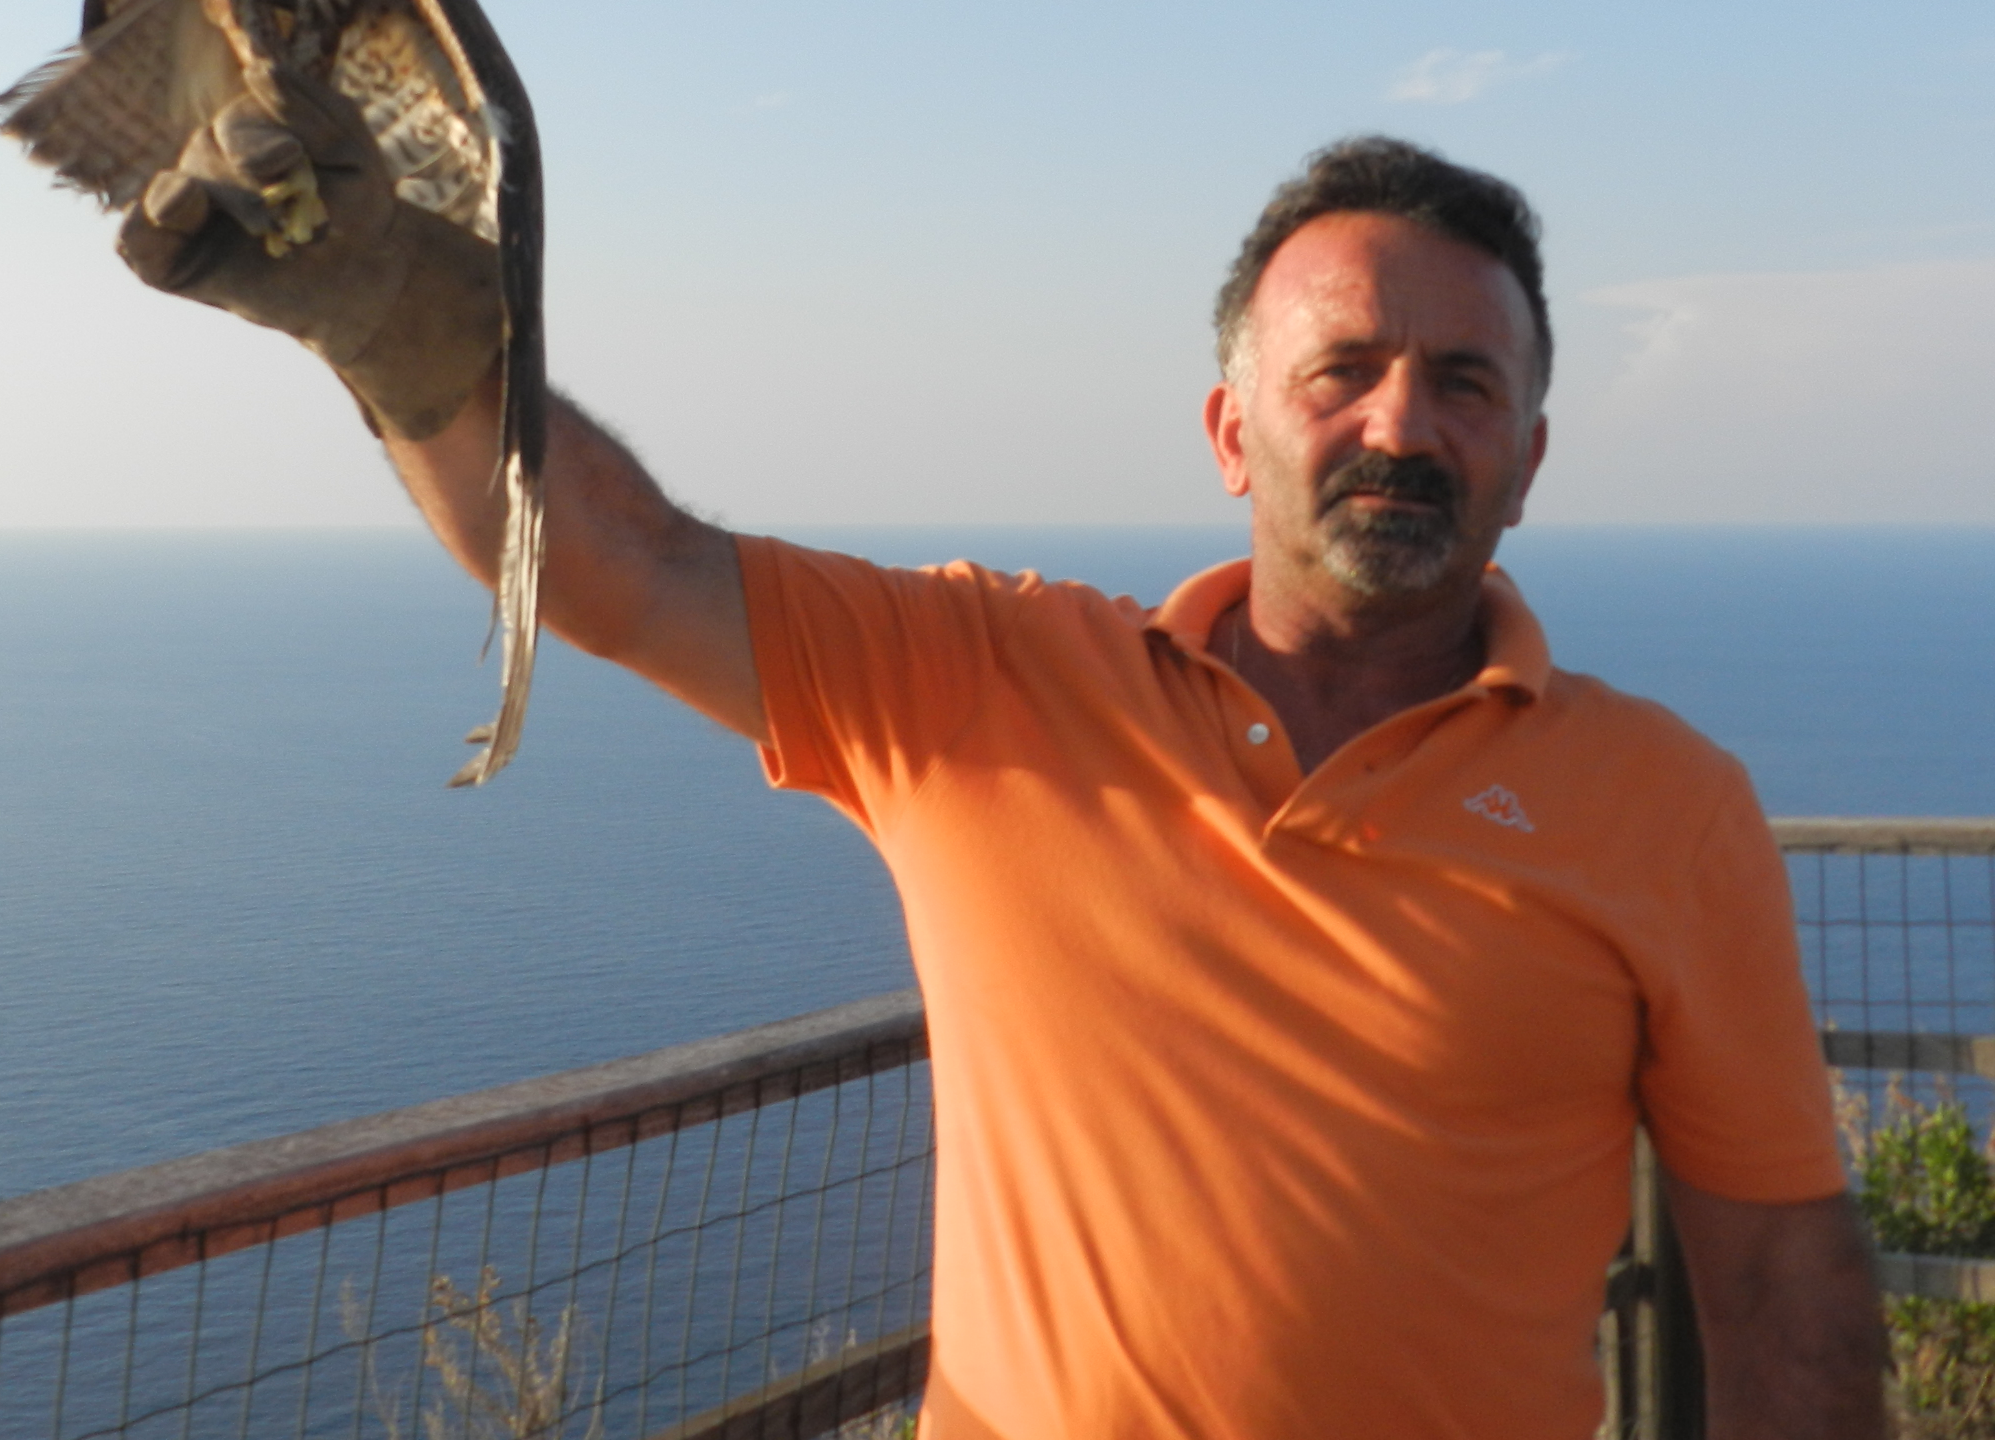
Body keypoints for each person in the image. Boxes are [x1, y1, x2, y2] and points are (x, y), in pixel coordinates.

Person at [122, 75, 1886, 1439]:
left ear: (1531, 452)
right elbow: (620, 565)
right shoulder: (988, 681)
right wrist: (386, 311)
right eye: (1339, 369)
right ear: (1229, 430)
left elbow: (1780, 1280)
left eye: (1465, 384)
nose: (1399, 425)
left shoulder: (1666, 807)